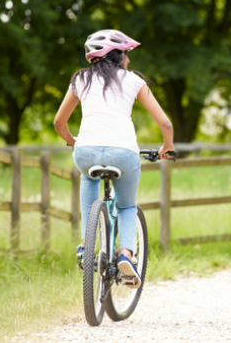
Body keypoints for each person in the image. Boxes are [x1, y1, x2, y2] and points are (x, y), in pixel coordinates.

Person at [54, 30, 175, 289]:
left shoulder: (80, 80)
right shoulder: (132, 80)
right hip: (124, 153)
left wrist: (74, 141)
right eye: (127, 55)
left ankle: (87, 245)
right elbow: (165, 123)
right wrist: (167, 147)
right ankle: (126, 255)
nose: (129, 61)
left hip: (86, 152)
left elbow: (59, 122)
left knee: (88, 177)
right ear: (118, 55)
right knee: (127, 206)